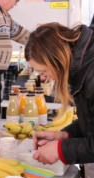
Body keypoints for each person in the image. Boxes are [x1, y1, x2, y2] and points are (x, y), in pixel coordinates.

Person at [27, 22, 94, 165]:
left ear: (57, 59)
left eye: (44, 72)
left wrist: (61, 149)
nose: (43, 78)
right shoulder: (84, 65)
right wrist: (65, 134)